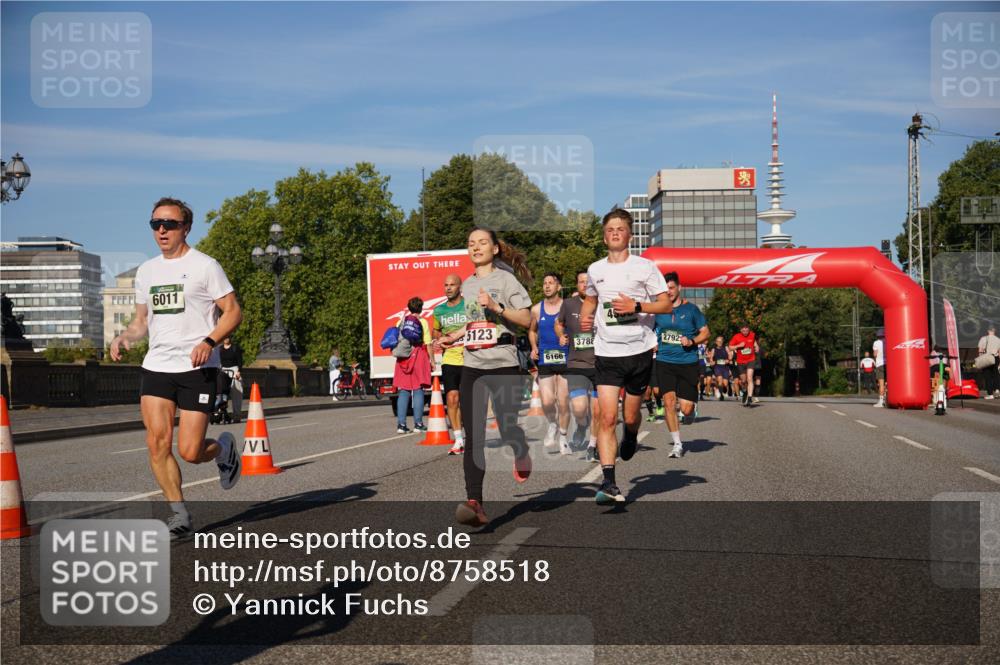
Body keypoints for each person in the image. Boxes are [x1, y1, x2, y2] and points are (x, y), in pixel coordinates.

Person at [110, 197, 243, 540]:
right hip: (157, 365)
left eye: (170, 224)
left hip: (197, 367)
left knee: (190, 451)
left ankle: (224, 449)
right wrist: (126, 336)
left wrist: (209, 342)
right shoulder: (147, 270)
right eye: (156, 224)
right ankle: (180, 515)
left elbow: (232, 312)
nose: (162, 230)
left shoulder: (205, 266)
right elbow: (142, 321)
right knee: (157, 444)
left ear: (186, 227)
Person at [436, 228, 533, 526]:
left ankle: (520, 448)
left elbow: (526, 319)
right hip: (473, 364)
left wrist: (496, 307)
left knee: (506, 426)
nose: (475, 247)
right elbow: (474, 323)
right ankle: (475, 501)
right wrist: (453, 336)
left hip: (503, 362)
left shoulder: (506, 280)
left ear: (494, 249)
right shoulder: (466, 286)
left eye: (482, 243)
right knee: (473, 434)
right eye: (470, 244)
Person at [579, 209, 671, 505]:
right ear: (604, 236)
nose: (615, 233)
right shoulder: (595, 269)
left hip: (639, 351)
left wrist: (637, 305)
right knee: (606, 417)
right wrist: (584, 318)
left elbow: (666, 305)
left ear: (629, 234)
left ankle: (631, 434)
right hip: (607, 352)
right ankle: (609, 482)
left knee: (629, 416)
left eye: (620, 229)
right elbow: (591, 299)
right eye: (609, 229)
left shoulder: (645, 267)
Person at [653, 272, 710, 458]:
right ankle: (677, 444)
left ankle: (691, 408)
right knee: (669, 403)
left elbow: (705, 333)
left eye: (671, 288)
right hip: (664, 361)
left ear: (679, 288)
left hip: (687, 362)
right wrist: (652, 342)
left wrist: (692, 341)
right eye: (665, 289)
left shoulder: (692, 310)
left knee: (685, 408)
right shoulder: (658, 311)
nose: (668, 292)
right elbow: (648, 330)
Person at [555, 270, 601, 461]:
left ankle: (593, 445)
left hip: (601, 364)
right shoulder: (568, 304)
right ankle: (582, 425)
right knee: (580, 408)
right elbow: (558, 323)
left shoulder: (602, 303)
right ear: (576, 285)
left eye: (587, 282)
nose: (584, 284)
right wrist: (561, 335)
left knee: (598, 409)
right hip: (577, 363)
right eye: (581, 281)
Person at [529, 273, 571, 455]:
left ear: (559, 287)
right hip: (545, 357)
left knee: (562, 402)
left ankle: (563, 438)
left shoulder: (567, 307)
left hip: (566, 357)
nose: (546, 286)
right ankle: (552, 425)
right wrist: (533, 346)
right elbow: (532, 330)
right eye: (544, 283)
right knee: (547, 401)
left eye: (551, 283)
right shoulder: (537, 309)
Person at [432, 274, 468, 455]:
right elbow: (436, 331)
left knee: (468, 401)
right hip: (450, 358)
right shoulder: (438, 311)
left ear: (459, 287)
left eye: (452, 285)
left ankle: (473, 434)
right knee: (452, 398)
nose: (448, 288)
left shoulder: (468, 305)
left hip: (470, 356)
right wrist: (439, 340)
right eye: (445, 285)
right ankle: (458, 439)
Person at [393, 297, 431, 433]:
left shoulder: (400, 322)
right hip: (418, 356)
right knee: (418, 390)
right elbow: (427, 343)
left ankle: (401, 425)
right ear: (421, 308)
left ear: (409, 307)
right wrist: (431, 360)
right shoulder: (423, 322)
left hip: (403, 359)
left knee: (404, 391)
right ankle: (418, 424)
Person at [219, 336, 244, 422]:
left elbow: (240, 361)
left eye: (228, 337)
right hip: (223, 370)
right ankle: (220, 413)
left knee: (236, 393)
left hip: (234, 370)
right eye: (225, 337)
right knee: (221, 393)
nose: (226, 339)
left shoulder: (235, 348)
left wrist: (239, 371)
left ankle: (237, 415)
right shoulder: (220, 349)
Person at [978, 325, 1000, 399]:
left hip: (987, 358)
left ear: (988, 331)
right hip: (996, 357)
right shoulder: (998, 339)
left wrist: (980, 358)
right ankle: (997, 390)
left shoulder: (984, 338)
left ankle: (990, 394)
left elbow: (980, 350)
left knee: (988, 376)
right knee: (996, 374)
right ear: (994, 331)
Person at [708, 336, 731, 400]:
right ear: (716, 342)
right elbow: (711, 357)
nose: (719, 342)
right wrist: (711, 361)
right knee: (720, 380)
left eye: (721, 341)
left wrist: (729, 359)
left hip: (725, 367)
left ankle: (720, 388)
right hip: (717, 367)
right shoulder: (714, 349)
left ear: (723, 342)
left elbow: (730, 355)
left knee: (725, 384)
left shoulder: (726, 348)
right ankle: (721, 396)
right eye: (718, 341)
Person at [872, 328, 887, 407]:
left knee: (881, 383)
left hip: (880, 364)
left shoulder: (876, 343)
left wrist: (875, 360)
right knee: (889, 383)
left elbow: (875, 354)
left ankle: (881, 401)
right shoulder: (888, 341)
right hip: (888, 364)